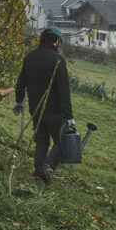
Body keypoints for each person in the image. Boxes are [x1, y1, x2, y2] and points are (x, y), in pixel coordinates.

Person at [13, 26, 74, 184]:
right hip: (55, 112)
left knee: (41, 142)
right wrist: (69, 116)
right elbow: (63, 90)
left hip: (36, 109)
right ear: (56, 41)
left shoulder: (30, 57)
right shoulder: (57, 60)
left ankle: (37, 175)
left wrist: (19, 101)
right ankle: (48, 167)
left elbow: (21, 83)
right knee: (63, 141)